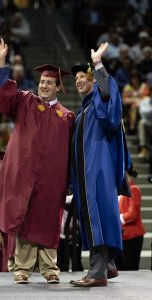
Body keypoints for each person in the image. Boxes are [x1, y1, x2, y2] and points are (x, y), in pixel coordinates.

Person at [0, 38, 75, 284]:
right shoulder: (26, 101)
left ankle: (50, 269)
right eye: (42, 82)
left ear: (58, 86)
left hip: (52, 177)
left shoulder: (67, 117)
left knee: (49, 218)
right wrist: (2, 62)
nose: (44, 86)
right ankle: (23, 268)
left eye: (49, 83)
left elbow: (70, 151)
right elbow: (4, 97)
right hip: (25, 173)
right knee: (25, 217)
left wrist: (69, 180)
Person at [70, 43, 131, 287]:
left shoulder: (99, 102)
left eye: (82, 77)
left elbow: (110, 106)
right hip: (88, 173)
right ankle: (107, 265)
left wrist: (97, 66)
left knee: (97, 216)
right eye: (75, 78)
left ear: (94, 80)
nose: (78, 81)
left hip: (97, 171)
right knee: (97, 217)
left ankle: (96, 273)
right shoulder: (84, 109)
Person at [115, 164, 146, 270]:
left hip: (133, 236)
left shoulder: (134, 189)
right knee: (123, 267)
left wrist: (116, 218)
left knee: (130, 267)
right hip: (123, 235)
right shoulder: (119, 191)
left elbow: (133, 214)